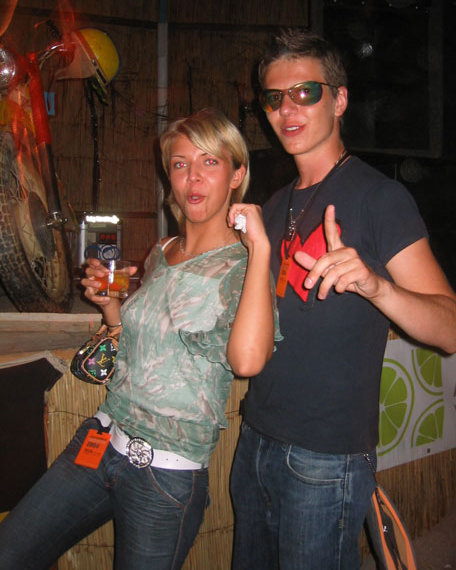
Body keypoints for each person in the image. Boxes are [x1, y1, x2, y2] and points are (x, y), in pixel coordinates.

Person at [0, 107, 280, 570]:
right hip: (101, 439)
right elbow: (134, 344)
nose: (193, 177)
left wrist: (261, 248)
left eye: (210, 162)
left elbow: (248, 362)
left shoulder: (242, 267)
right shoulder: (162, 251)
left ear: (237, 175)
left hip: (164, 475)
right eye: (180, 163)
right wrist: (110, 304)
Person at [230, 29, 456, 569]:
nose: (287, 108)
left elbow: (453, 329)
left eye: (305, 92)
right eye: (274, 97)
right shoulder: (273, 207)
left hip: (326, 458)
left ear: (339, 100)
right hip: (255, 440)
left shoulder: (379, 198)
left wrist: (377, 286)